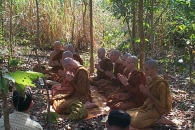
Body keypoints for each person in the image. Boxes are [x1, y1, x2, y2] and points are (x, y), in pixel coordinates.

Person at [126, 59, 173, 129]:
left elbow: (162, 105)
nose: (144, 71)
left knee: (135, 122)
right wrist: (145, 92)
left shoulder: (161, 84)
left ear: (153, 69)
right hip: (147, 107)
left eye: (146, 69)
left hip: (156, 110)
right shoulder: (149, 80)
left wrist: (148, 93)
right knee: (126, 114)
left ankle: (159, 120)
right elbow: (146, 99)